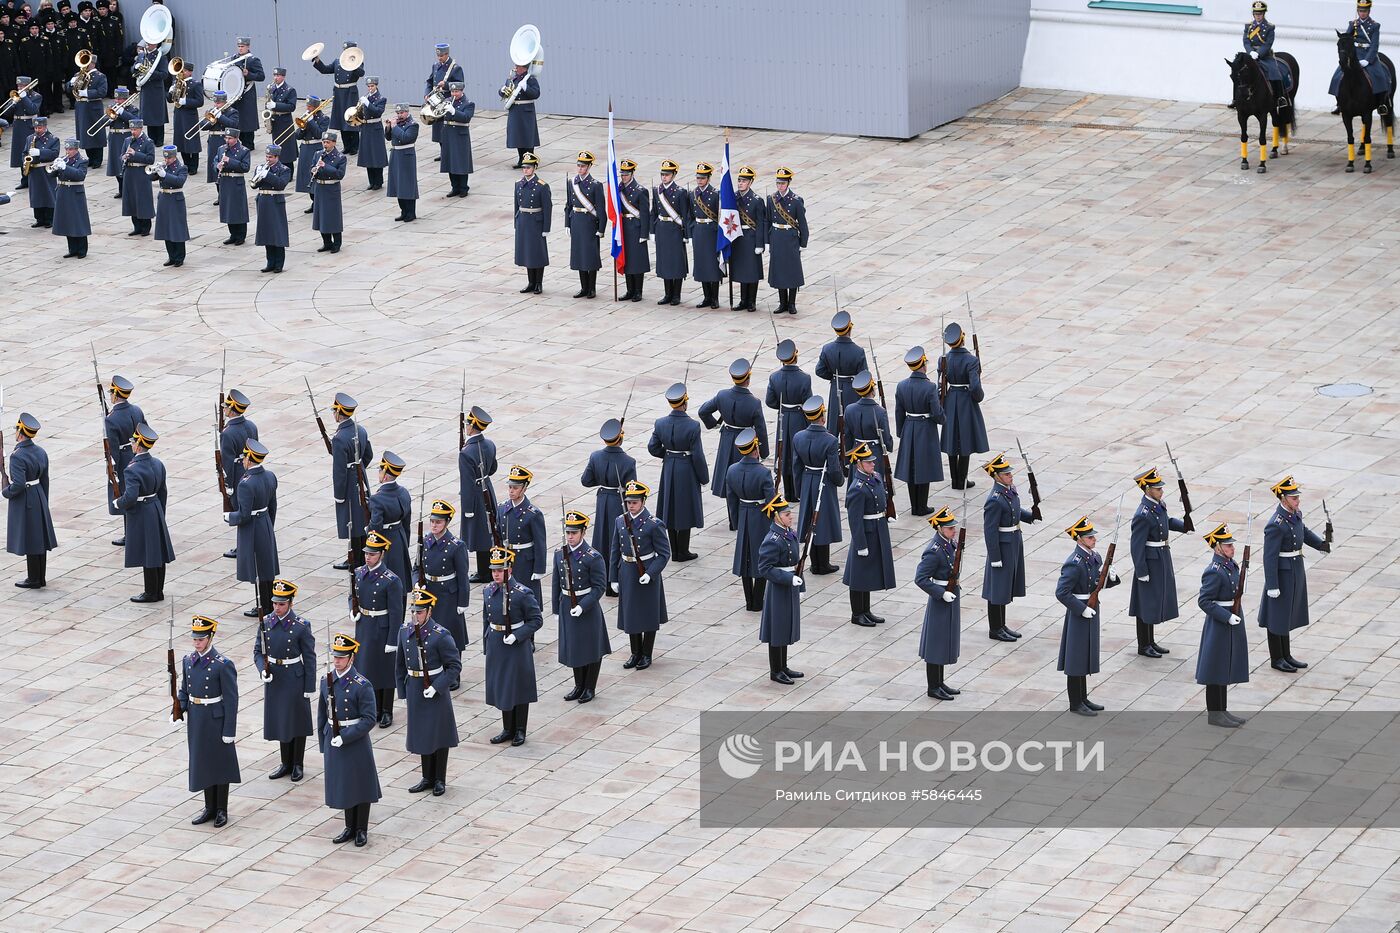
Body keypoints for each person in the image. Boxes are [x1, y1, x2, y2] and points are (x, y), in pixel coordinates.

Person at [1259, 474, 1330, 672]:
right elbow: (1269, 557)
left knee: (1286, 614)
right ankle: (1276, 658)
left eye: (1297, 497)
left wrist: (1320, 545)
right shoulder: (1276, 524)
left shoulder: (1294, 514)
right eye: (1294, 498)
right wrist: (1272, 585)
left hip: (1295, 569)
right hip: (1282, 574)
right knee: (1276, 616)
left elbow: (1304, 532)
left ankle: (1286, 654)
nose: (1298, 501)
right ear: (1283, 499)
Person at [395, 588, 462, 795]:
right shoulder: (404, 631)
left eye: (420, 612)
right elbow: (399, 666)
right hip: (415, 687)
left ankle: (440, 778)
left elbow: (454, 666)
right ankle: (427, 777)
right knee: (422, 733)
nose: (416, 616)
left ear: (429, 612)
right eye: (413, 611)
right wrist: (403, 693)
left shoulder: (440, 635)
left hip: (434, 688)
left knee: (439, 735)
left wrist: (437, 687)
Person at [176, 615, 240, 828]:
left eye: (201, 639)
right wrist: (178, 710)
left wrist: (229, 729)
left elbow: (231, 700)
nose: (197, 643)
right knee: (202, 762)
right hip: (197, 719)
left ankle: (221, 808)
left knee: (220, 764)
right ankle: (209, 807)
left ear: (211, 637)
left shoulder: (223, 664)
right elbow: (184, 689)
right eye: (195, 639)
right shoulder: (188, 661)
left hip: (216, 719)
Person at [317, 633, 381, 847]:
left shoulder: (362, 685)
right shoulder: (326, 681)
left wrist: (345, 737)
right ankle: (349, 826)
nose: (337, 660)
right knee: (344, 784)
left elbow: (369, 719)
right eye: (336, 656)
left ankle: (361, 828)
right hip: (334, 739)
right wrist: (324, 741)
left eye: (342, 657)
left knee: (360, 784)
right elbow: (321, 714)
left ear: (351, 658)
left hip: (355, 740)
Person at [252, 579, 315, 781]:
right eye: (275, 603)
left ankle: (297, 763)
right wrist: (262, 669)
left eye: (281, 604)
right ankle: (285, 762)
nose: (277, 608)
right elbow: (257, 652)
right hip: (275, 677)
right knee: (280, 720)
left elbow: (310, 657)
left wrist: (309, 685)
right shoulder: (266, 623)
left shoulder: (301, 626)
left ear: (290, 603)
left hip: (293, 676)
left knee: (296, 721)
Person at [1055, 516, 1119, 716]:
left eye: (1093, 536)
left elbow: (1096, 585)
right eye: (1089, 537)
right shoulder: (1074, 563)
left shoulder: (1093, 557)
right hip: (1079, 612)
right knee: (1075, 658)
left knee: (1084, 655)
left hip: (1091, 607)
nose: (1093, 539)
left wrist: (1111, 579)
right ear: (1079, 539)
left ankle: (1083, 697)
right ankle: (1075, 702)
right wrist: (1081, 609)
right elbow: (1061, 592)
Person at [482, 546, 543, 746]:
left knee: (518, 687)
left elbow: (536, 620)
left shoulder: (522, 593)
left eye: (500, 570)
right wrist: (487, 643)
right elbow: (486, 619)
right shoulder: (488, 591)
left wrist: (517, 636)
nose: (496, 574)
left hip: (516, 646)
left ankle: (520, 729)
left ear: (509, 570)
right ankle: (507, 728)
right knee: (502, 686)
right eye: (493, 570)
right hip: (497, 644)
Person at [1128, 467, 1191, 658]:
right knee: (1145, 604)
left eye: (1161, 488)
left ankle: (1151, 640)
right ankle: (1143, 644)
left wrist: (1184, 526)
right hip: (1150, 561)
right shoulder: (1142, 514)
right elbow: (1136, 546)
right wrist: (1141, 570)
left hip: (1161, 557)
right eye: (1157, 488)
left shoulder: (1158, 504)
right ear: (1147, 489)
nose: (1161, 491)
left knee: (1154, 601)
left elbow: (1166, 520)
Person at [609, 481, 671, 670]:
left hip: (646, 570)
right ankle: (635, 652)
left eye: (635, 502)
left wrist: (651, 574)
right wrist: (613, 577)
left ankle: (646, 653)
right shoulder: (621, 520)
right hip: (627, 570)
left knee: (648, 613)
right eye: (629, 502)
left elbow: (664, 553)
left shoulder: (654, 524)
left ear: (643, 501)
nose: (631, 505)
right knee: (631, 614)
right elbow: (614, 550)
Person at [112, 421, 174, 602]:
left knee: (148, 553)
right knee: (158, 553)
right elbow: (163, 491)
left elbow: (130, 497)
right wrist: (160, 513)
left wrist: (118, 503)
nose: (131, 444)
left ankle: (150, 592)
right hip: (155, 508)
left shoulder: (132, 469)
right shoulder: (157, 463)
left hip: (142, 512)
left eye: (133, 441)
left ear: (138, 445)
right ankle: (158, 590)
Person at [553, 510, 610, 702]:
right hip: (567, 604)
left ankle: (589, 687)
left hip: (587, 607)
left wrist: (583, 606)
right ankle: (578, 685)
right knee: (575, 647)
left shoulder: (593, 557)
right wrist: (556, 609)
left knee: (591, 648)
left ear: (583, 533)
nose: (570, 537)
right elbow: (556, 584)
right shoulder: (560, 554)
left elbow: (599, 587)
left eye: (574, 533)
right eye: (568, 533)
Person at [981, 452, 1040, 641]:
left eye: (1009, 473)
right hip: (1002, 546)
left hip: (1013, 542)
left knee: (1005, 587)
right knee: (996, 589)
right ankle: (995, 629)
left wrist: (1030, 516)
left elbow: (1015, 509)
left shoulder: (1008, 489)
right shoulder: (994, 499)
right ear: (996, 476)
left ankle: (1001, 624)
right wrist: (995, 557)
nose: (1010, 476)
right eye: (1006, 474)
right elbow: (990, 532)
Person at [648, 382, 708, 562]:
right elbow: (697, 455)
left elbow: (652, 447)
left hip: (669, 466)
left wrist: (667, 455)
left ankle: (675, 550)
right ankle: (683, 550)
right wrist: (703, 476)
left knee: (671, 507)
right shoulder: (693, 426)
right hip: (686, 467)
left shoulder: (660, 423)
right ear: (685, 402)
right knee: (684, 508)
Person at [1196, 524, 1249, 727]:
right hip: (1220, 623)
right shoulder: (1214, 571)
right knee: (1214, 668)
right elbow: (1204, 601)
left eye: (1231, 545)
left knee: (1224, 666)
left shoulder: (1230, 565)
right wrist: (1226, 617)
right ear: (1217, 548)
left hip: (1231, 616)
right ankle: (1214, 714)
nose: (1231, 549)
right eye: (1227, 546)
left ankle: (1222, 710)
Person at [700, 357, 770, 510]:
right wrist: (763, 452)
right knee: (743, 477)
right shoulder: (754, 402)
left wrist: (714, 424)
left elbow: (703, 411)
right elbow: (761, 429)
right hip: (746, 440)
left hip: (727, 439)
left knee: (728, 475)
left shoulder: (722, 395)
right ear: (748, 378)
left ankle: (732, 516)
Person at [353, 531, 405, 729]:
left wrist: (393, 639)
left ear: (381, 554)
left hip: (382, 627)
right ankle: (373, 708)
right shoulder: (359, 573)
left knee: (385, 670)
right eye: (367, 553)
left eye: (372, 554)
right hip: (365, 625)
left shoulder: (391, 580)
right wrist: (354, 610)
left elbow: (396, 612)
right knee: (367, 667)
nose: (368, 557)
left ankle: (386, 710)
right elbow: (353, 594)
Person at [580, 418, 636, 595]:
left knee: (602, 538)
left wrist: (603, 480)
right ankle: (616, 579)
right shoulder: (628, 461)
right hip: (618, 501)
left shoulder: (596, 456)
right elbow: (632, 489)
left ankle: (601, 580)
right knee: (618, 540)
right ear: (621, 438)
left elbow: (586, 480)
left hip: (602, 498)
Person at [225, 437, 278, 619]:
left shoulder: (246, 483)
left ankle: (263, 605)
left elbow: (244, 514)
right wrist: (269, 524)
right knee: (266, 567)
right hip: (265, 523)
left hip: (253, 527)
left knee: (258, 567)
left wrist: (229, 517)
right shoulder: (270, 476)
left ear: (249, 458)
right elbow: (273, 506)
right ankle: (268, 602)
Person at [843, 443, 895, 627]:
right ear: (858, 464)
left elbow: (882, 496)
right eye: (868, 462)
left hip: (877, 528)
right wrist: (861, 545)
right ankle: (857, 613)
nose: (873, 464)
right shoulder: (857, 487)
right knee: (859, 576)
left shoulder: (875, 477)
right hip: (865, 533)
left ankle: (866, 610)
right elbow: (855, 520)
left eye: (873, 461)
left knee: (868, 574)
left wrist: (886, 515)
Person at [4, 412, 57, 589]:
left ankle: (34, 578)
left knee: (31, 539)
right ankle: (39, 577)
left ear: (20, 432)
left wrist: (6, 492)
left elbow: (18, 484)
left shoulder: (17, 456)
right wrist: (44, 501)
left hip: (26, 499)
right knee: (38, 539)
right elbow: (46, 479)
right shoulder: (40, 451)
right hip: (39, 495)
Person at [915, 506, 963, 700]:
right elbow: (921, 578)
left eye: (954, 527)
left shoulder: (947, 544)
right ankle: (933, 687)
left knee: (943, 642)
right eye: (950, 528)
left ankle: (940, 683)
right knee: (936, 644)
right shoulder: (934, 551)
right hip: (941, 599)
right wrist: (940, 594)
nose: (954, 531)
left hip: (951, 594)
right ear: (940, 529)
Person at [793, 395, 844, 576]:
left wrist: (800, 489)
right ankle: (823, 564)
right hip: (823, 482)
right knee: (823, 523)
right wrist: (840, 481)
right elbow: (834, 469)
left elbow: (796, 466)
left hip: (807, 480)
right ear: (822, 415)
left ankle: (815, 563)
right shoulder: (830, 440)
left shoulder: (798, 437)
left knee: (810, 521)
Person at [726, 428, 776, 611]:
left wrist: (737, 521)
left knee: (745, 559)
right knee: (761, 557)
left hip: (743, 515)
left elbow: (731, 500)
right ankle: (757, 599)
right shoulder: (763, 473)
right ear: (755, 448)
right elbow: (771, 501)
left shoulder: (732, 470)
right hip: (760, 517)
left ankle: (749, 601)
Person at [756, 494, 804, 684]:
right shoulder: (772, 539)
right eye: (786, 514)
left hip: (789, 585)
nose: (790, 517)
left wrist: (800, 585)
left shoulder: (788, 533)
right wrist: (788, 579)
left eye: (790, 514)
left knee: (785, 627)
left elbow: (797, 564)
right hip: (778, 589)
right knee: (777, 630)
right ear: (776, 516)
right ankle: (775, 670)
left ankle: (783, 665)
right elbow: (764, 569)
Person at [420, 499, 470, 671]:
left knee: (451, 635)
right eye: (432, 521)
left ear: (447, 522)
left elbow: (463, 576)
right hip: (429, 593)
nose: (434, 525)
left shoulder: (456, 546)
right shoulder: (425, 541)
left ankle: (454, 673)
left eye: (438, 522)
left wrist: (463, 602)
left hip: (448, 595)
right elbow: (416, 567)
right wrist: (417, 584)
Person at [894, 346, 944, 515]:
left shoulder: (901, 385)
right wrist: (943, 419)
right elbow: (936, 412)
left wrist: (901, 431)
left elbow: (899, 411)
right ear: (923, 364)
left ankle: (914, 505)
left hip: (909, 425)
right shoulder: (929, 387)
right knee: (924, 467)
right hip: (925, 427)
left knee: (912, 467)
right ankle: (921, 506)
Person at [939, 323, 988, 491]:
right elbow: (975, 387)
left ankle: (955, 479)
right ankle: (962, 479)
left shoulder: (943, 359)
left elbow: (941, 384)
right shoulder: (971, 360)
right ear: (963, 338)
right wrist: (979, 397)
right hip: (966, 400)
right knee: (965, 439)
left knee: (952, 438)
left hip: (951, 398)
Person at [329, 392, 373, 569]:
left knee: (352, 521)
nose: (333, 414)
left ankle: (355, 557)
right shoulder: (360, 430)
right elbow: (368, 455)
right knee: (362, 518)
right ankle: (361, 554)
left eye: (334, 410)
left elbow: (339, 472)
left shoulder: (339, 438)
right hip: (361, 478)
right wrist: (359, 469)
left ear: (340, 412)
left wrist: (339, 495)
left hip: (348, 483)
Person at [766, 338, 812, 502]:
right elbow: (809, 403)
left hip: (783, 417)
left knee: (783, 452)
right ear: (795, 356)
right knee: (796, 453)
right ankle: (797, 490)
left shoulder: (774, 377)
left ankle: (788, 493)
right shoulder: (804, 378)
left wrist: (783, 407)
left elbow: (770, 401)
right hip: (799, 417)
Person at [216, 388, 257, 563]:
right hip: (252, 473)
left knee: (242, 513)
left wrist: (228, 486)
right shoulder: (251, 426)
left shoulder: (228, 433)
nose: (224, 410)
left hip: (238, 476)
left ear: (232, 409)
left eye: (226, 407)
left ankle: (243, 546)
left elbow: (226, 462)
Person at [102, 374, 143, 548]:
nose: (110, 395)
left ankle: (130, 533)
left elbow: (112, 449)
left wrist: (113, 470)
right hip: (138, 454)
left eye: (111, 392)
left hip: (124, 459)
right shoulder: (137, 410)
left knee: (126, 494)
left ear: (116, 394)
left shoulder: (111, 419)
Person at [459, 405, 499, 583]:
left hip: (475, 495)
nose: (466, 426)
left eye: (467, 423)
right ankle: (486, 568)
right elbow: (493, 469)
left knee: (480, 533)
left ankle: (484, 571)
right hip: (487, 488)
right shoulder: (489, 444)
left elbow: (466, 483)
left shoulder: (466, 452)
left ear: (472, 426)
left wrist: (468, 508)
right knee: (488, 530)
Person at [497, 464, 547, 605]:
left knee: (526, 598)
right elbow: (498, 536)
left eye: (515, 488)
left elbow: (540, 543)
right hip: (506, 557)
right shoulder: (502, 509)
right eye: (510, 487)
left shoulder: (533, 514)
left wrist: (539, 569)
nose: (511, 491)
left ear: (524, 488)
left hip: (524, 560)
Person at [843, 371, 895, 506]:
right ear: (872, 388)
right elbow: (886, 437)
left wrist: (848, 456)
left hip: (856, 451)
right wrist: (889, 446)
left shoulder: (849, 409)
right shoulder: (879, 411)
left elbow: (847, 436)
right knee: (875, 484)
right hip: (874, 451)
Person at [815, 311, 866, 441]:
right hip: (852, 389)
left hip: (835, 386)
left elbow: (820, 370)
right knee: (852, 424)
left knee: (833, 423)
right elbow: (864, 376)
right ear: (850, 328)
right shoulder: (858, 351)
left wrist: (833, 377)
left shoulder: (827, 348)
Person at [367, 451, 412, 597]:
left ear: (385, 474)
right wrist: (405, 543)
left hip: (385, 541)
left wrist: (368, 532)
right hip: (400, 538)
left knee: (384, 579)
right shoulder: (404, 492)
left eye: (380, 470)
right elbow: (407, 523)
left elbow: (376, 527)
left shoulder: (377, 499)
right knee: (401, 580)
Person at [1330, 1, 1392, 100]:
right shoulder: (1353, 24)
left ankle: (1382, 103)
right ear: (1358, 11)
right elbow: (1347, 39)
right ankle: (1339, 102)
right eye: (1360, 11)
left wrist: (1367, 60)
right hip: (1354, 54)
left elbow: (1374, 45)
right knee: (1337, 76)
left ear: (1369, 11)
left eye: (1365, 11)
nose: (1362, 13)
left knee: (1380, 76)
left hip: (1368, 54)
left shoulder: (1375, 26)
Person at [765, 167, 807, 313]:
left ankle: (792, 303)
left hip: (790, 239)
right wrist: (768, 240)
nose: (780, 186)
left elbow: (802, 223)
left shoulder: (796, 200)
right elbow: (768, 220)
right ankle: (782, 302)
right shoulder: (771, 199)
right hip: (777, 237)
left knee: (792, 271)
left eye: (782, 183)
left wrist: (803, 243)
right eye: (778, 183)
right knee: (779, 270)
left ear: (788, 183)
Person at [311, 42, 364, 156]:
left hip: (350, 92)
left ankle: (354, 146)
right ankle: (347, 146)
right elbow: (325, 70)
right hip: (339, 93)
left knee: (352, 117)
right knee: (341, 120)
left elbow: (361, 73)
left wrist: (354, 64)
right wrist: (317, 61)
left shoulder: (358, 61)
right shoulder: (337, 61)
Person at [565, 149, 604, 298]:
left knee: (590, 257)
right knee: (579, 255)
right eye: (579, 166)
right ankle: (583, 287)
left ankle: (592, 288)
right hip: (576, 221)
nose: (580, 169)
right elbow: (568, 205)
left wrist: (601, 228)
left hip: (589, 223)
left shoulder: (595, 185)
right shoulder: (572, 183)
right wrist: (567, 224)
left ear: (589, 167)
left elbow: (601, 209)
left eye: (583, 166)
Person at [650, 159, 689, 306]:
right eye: (662, 174)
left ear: (674, 175)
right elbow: (653, 211)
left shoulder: (680, 192)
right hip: (662, 229)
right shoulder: (657, 190)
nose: (664, 177)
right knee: (665, 262)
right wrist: (652, 231)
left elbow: (685, 215)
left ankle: (676, 295)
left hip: (675, 230)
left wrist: (686, 235)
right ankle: (667, 293)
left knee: (676, 262)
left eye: (667, 175)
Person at [687, 161, 724, 308]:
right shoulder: (693, 194)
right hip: (698, 231)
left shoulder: (715, 194)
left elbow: (720, 216)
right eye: (698, 178)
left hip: (711, 232)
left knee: (712, 266)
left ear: (708, 178)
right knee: (701, 264)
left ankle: (714, 298)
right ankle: (706, 297)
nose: (699, 180)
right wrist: (690, 234)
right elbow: (689, 215)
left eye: (702, 178)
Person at [730, 165, 766, 311]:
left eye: (744, 181)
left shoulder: (757, 200)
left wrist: (760, 243)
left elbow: (761, 223)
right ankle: (743, 300)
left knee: (751, 271)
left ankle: (751, 301)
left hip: (751, 238)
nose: (740, 183)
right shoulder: (733, 197)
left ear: (750, 183)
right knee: (741, 271)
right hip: (738, 238)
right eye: (739, 180)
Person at [1244, 2, 1292, 108]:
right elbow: (1246, 41)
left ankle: (1280, 98)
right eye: (1256, 14)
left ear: (1264, 14)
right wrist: (1250, 52)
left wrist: (1258, 53)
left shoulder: (1270, 27)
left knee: (1275, 72)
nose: (1258, 16)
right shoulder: (1248, 26)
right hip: (1250, 55)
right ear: (1253, 14)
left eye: (1260, 14)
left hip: (1265, 55)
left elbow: (1268, 43)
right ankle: (1236, 98)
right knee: (1238, 72)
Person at [514, 152, 550, 293]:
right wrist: (516, 222)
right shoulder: (518, 184)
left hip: (536, 222)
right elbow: (516, 205)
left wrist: (546, 227)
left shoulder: (542, 186)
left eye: (528, 167)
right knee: (527, 253)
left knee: (537, 253)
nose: (526, 170)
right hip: (523, 222)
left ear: (534, 168)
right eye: (524, 167)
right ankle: (530, 282)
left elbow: (547, 208)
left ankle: (538, 283)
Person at [252, 143, 291, 273]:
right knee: (267, 232)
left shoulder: (284, 169)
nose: (268, 159)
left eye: (270, 157)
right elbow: (253, 185)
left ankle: (279, 263)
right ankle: (270, 262)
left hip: (275, 202)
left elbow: (281, 184)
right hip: (263, 201)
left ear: (277, 157)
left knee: (277, 232)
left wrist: (267, 175)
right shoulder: (261, 167)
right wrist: (258, 176)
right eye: (267, 156)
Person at [51, 136, 90, 257]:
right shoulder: (63, 159)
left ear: (76, 149)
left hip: (75, 192)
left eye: (71, 150)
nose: (68, 152)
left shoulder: (82, 160)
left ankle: (82, 250)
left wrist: (65, 167)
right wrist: (55, 166)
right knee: (67, 221)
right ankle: (72, 249)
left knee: (78, 221)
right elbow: (52, 174)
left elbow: (80, 175)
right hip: (63, 192)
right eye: (66, 149)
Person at [617, 159, 650, 301]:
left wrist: (644, 233)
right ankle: (629, 290)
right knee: (627, 260)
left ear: (632, 174)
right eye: (622, 174)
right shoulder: (619, 189)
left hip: (635, 228)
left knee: (637, 261)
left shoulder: (640, 191)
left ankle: (638, 291)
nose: (623, 177)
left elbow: (644, 214)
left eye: (626, 174)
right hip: (624, 227)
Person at [152, 143, 188, 266]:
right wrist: (156, 170)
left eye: (169, 158)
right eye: (165, 158)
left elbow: (180, 181)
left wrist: (165, 175)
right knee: (166, 229)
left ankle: (179, 257)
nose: (166, 160)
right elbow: (151, 177)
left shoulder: (182, 167)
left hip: (175, 199)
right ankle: (171, 256)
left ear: (174, 157)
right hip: (164, 199)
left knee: (177, 229)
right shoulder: (164, 166)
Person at [424, 43, 462, 159]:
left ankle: (448, 152)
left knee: (446, 127)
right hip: (436, 100)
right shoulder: (435, 66)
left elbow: (460, 84)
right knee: (438, 127)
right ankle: (443, 152)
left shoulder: (455, 68)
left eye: (441, 56)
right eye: (438, 56)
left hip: (447, 100)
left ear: (447, 54)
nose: (439, 58)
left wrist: (446, 85)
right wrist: (427, 94)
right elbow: (429, 82)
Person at [67, 52, 106, 167]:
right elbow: (68, 90)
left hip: (93, 107)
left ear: (93, 64)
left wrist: (86, 93)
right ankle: (90, 157)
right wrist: (70, 83)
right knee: (84, 133)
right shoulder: (78, 74)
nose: (85, 66)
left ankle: (97, 159)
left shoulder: (100, 76)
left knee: (96, 133)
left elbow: (102, 92)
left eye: (88, 63)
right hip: (81, 107)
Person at [311, 130, 346, 253]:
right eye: (324, 142)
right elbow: (311, 167)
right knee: (321, 216)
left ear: (334, 143)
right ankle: (326, 242)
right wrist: (314, 170)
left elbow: (340, 174)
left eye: (328, 142)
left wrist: (325, 166)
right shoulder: (318, 154)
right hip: (320, 187)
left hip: (332, 189)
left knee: (333, 216)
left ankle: (337, 243)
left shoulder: (340, 157)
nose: (325, 144)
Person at [500, 59, 539, 167]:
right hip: (515, 110)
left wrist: (526, 87)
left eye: (518, 67)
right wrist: (502, 90)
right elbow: (504, 91)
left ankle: (530, 160)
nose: (516, 68)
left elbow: (536, 93)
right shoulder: (513, 79)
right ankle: (521, 159)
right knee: (517, 136)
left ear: (524, 68)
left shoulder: (530, 79)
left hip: (526, 110)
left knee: (528, 136)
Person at [213, 125, 249, 245]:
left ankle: (241, 235)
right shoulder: (221, 149)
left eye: (230, 138)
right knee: (228, 209)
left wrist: (230, 161)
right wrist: (217, 166)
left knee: (238, 209)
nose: (227, 141)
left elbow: (245, 167)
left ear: (236, 138)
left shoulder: (244, 150)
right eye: (226, 138)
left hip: (236, 182)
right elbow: (215, 160)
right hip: (225, 182)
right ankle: (233, 234)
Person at [293, 95, 329, 214]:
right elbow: (297, 136)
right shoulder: (306, 116)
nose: (307, 108)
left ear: (315, 107)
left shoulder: (324, 118)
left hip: (315, 147)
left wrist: (311, 122)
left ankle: (317, 202)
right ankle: (313, 201)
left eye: (309, 106)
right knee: (306, 176)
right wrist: (302, 128)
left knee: (314, 175)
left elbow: (319, 134)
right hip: (305, 148)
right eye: (307, 105)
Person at [439, 82, 474, 198]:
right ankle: (455, 187)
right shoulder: (447, 100)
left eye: (456, 92)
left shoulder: (468, 103)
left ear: (461, 91)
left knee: (461, 162)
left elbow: (466, 118)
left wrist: (454, 111)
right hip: (448, 134)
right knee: (450, 162)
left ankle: (463, 188)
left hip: (460, 135)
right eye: (453, 92)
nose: (454, 94)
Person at [385, 103, 418, 221]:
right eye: (398, 113)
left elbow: (405, 138)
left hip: (406, 155)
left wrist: (394, 127)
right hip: (396, 154)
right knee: (398, 183)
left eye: (401, 113)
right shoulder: (397, 124)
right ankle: (403, 211)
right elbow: (388, 137)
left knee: (407, 184)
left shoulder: (413, 125)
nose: (399, 115)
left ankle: (411, 212)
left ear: (407, 112)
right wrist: (389, 127)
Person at [24, 115, 59, 227]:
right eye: (36, 128)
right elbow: (24, 153)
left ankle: (50, 219)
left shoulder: (53, 139)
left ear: (45, 127)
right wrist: (24, 161)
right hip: (34, 171)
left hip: (46, 170)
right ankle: (39, 219)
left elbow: (54, 153)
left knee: (48, 194)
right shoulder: (30, 138)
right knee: (36, 196)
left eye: (39, 128)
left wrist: (40, 152)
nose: (37, 130)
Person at [102, 86, 136, 198]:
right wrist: (109, 119)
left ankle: (127, 190)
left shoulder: (132, 109)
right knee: (116, 165)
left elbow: (136, 121)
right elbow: (102, 122)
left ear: (125, 99)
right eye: (116, 99)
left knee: (125, 164)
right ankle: (121, 189)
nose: (117, 101)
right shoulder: (111, 107)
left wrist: (122, 112)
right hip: (114, 138)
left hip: (125, 137)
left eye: (120, 99)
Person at [201, 90, 238, 190]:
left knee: (225, 167)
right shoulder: (212, 110)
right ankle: (219, 193)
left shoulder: (232, 112)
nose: (216, 104)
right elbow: (202, 126)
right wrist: (211, 121)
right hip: (213, 142)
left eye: (218, 103)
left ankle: (224, 193)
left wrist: (220, 117)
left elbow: (233, 125)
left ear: (224, 102)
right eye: (215, 102)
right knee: (215, 167)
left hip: (224, 141)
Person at [170, 59, 202, 174]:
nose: (181, 73)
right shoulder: (176, 83)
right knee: (181, 140)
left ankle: (193, 166)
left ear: (190, 72)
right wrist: (170, 92)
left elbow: (200, 101)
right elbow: (170, 100)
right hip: (178, 115)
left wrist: (186, 101)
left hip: (190, 116)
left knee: (191, 141)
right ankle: (186, 164)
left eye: (183, 71)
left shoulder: (195, 84)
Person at [355, 75, 387, 189]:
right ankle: (371, 181)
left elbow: (378, 111)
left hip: (375, 128)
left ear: (376, 86)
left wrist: (367, 103)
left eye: (372, 86)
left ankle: (378, 182)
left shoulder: (381, 98)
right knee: (368, 155)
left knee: (376, 155)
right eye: (368, 86)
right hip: (366, 127)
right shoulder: (365, 96)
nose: (370, 88)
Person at [133, 43, 169, 145]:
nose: (147, 44)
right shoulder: (142, 55)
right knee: (148, 115)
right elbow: (132, 70)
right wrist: (136, 66)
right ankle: (151, 139)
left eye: (150, 43)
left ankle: (159, 140)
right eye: (147, 43)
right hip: (146, 88)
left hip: (156, 89)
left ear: (156, 44)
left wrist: (149, 72)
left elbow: (164, 74)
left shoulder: (161, 57)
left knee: (157, 114)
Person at [8, 76, 41, 189]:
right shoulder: (16, 96)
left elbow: (33, 110)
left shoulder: (36, 96)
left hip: (28, 126)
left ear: (28, 86)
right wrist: (12, 103)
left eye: (22, 86)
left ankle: (32, 178)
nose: (20, 88)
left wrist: (25, 98)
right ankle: (24, 179)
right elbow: (7, 113)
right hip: (18, 126)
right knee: (19, 152)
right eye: (18, 86)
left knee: (28, 152)